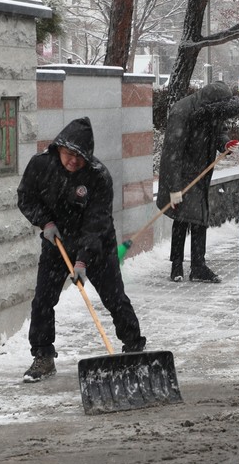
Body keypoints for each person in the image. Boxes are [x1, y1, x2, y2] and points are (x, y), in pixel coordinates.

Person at [17, 117, 146, 383]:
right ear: (59, 148)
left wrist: (83, 261)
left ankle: (134, 347)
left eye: (80, 156)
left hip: (96, 246)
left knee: (114, 298)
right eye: (69, 154)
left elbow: (96, 223)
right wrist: (45, 221)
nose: (73, 160)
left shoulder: (98, 176)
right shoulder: (41, 165)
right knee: (43, 300)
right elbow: (26, 196)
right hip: (57, 243)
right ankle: (43, 356)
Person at [157, 81, 239, 283]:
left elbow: (219, 131)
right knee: (183, 217)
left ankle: (197, 266)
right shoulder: (182, 111)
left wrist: (225, 144)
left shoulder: (211, 110)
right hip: (182, 171)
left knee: (199, 217)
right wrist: (174, 188)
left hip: (202, 169)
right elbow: (172, 153)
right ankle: (179, 266)